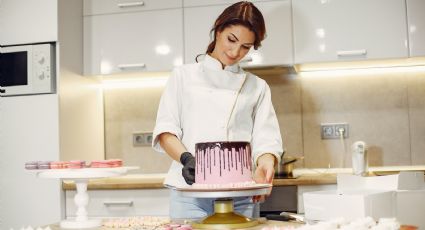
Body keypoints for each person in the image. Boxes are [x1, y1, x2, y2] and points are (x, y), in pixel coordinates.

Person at [152, 1, 283, 220]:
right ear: (218, 30)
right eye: (231, 40)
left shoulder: (257, 86)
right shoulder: (183, 76)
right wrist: (187, 159)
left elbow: (266, 139)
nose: (235, 51)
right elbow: (166, 131)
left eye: (245, 47)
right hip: (189, 192)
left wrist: (266, 164)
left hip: (241, 194)